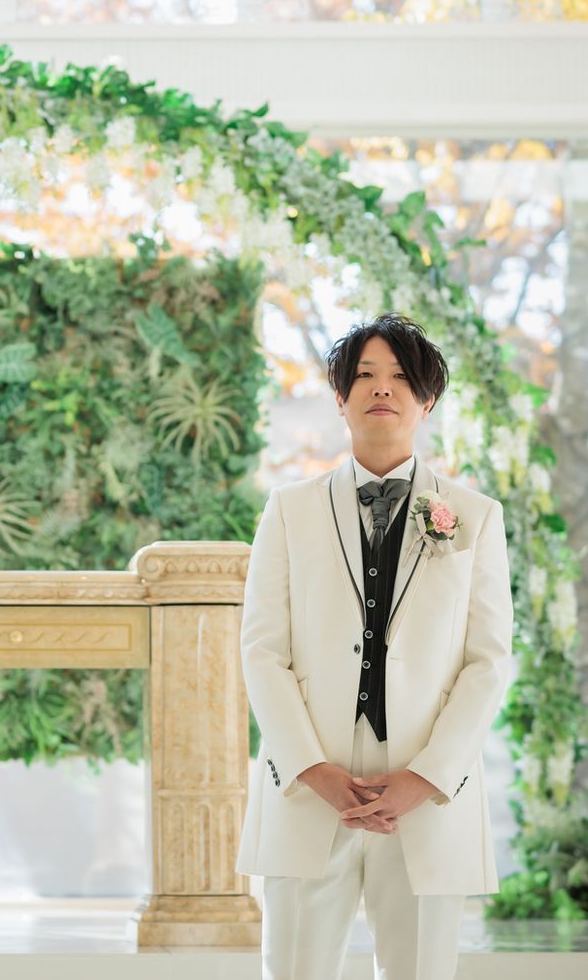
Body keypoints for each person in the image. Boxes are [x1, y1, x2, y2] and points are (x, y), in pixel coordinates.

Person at [236, 314, 513, 980]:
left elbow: (488, 662)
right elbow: (262, 650)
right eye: (363, 375)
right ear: (340, 397)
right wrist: (312, 768)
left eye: (399, 377)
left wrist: (429, 775)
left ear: (427, 400)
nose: (381, 388)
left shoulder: (474, 517)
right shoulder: (289, 509)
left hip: (426, 793)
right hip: (309, 789)